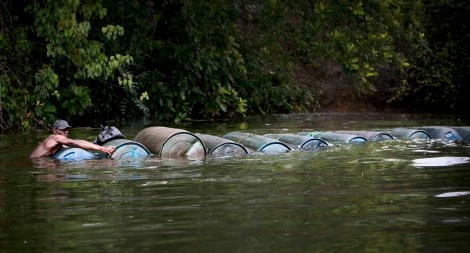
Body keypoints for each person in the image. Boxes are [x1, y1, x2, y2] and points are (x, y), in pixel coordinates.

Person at [30, 119, 116, 158]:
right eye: (62, 129)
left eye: (67, 129)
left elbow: (75, 143)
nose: (66, 132)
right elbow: (74, 142)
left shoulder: (57, 142)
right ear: (54, 130)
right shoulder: (55, 137)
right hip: (37, 163)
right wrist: (102, 148)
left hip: (38, 162)